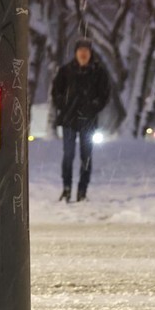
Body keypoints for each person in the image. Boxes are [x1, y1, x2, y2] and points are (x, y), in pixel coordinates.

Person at [51, 39, 112, 202]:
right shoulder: (65, 71)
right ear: (76, 53)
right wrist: (64, 105)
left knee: (86, 156)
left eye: (86, 51)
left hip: (88, 120)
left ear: (90, 54)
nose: (83, 54)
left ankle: (82, 191)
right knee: (68, 155)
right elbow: (56, 92)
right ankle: (66, 188)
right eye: (80, 51)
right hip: (69, 119)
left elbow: (105, 94)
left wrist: (93, 106)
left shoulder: (98, 72)